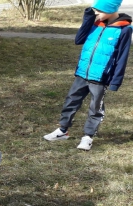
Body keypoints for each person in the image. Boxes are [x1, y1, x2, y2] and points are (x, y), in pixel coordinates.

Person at [43, 0, 132, 150]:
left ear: (110, 8)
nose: (95, 13)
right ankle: (63, 131)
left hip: (100, 77)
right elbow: (79, 40)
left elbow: (122, 57)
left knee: (95, 107)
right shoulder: (95, 23)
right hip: (82, 73)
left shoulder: (124, 29)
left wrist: (116, 81)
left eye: (99, 10)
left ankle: (87, 137)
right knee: (71, 101)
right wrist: (88, 19)